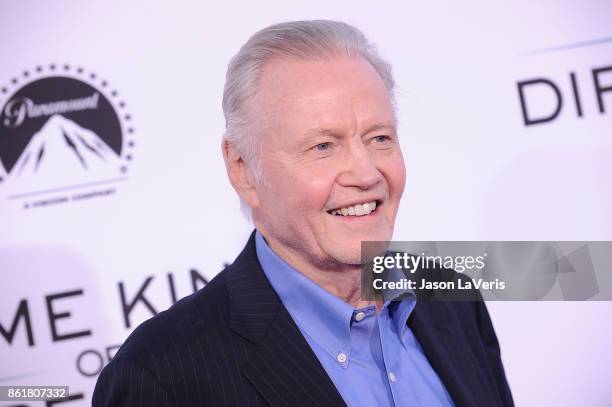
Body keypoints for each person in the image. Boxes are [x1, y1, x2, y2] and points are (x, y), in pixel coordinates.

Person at [93, 20, 514, 406]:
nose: (366, 173)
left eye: (379, 137)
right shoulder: (162, 375)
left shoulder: (451, 297)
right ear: (243, 169)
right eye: (323, 146)